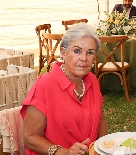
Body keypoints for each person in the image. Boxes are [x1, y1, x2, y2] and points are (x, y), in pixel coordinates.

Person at [21, 23, 107, 155]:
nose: (84, 58)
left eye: (90, 53)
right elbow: (30, 137)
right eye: (77, 51)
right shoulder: (44, 85)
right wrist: (63, 152)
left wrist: (103, 148)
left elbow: (101, 119)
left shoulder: (92, 81)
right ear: (63, 52)